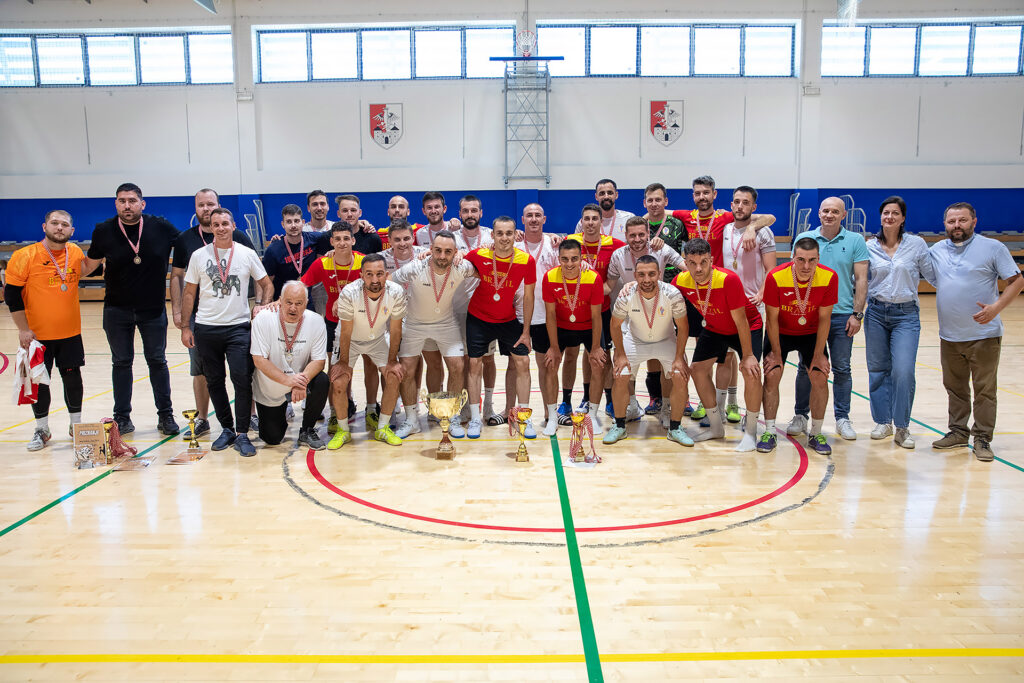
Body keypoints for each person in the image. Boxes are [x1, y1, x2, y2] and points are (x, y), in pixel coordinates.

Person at [927, 202, 1024, 462]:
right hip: (949, 335)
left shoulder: (993, 248)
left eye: (962, 220)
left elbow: (1017, 281)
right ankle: (958, 432)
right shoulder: (936, 250)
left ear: (974, 222)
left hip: (984, 335)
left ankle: (982, 438)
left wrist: (996, 308)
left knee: (984, 391)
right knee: (955, 388)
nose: (956, 225)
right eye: (951, 221)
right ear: (945, 224)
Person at [87, 182, 180, 436]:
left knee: (157, 361)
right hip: (117, 309)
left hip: (153, 309)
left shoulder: (160, 226)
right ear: (116, 203)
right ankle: (122, 417)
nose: (127, 205)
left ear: (142, 203)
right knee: (121, 363)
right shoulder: (103, 230)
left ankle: (165, 415)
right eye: (122, 201)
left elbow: (187, 245)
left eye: (132, 200)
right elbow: (88, 265)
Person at [181, 208, 274, 457]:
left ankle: (242, 433)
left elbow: (267, 284)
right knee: (214, 381)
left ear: (233, 226)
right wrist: (185, 326)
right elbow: (189, 292)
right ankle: (227, 429)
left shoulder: (246, 253)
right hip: (206, 327)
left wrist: (261, 307)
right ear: (210, 228)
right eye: (216, 224)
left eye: (225, 223)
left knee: (241, 379)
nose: (221, 228)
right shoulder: (199, 256)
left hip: (238, 327)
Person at [6, 210, 101, 450]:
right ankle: (42, 429)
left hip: (70, 333)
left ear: (72, 230)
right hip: (36, 336)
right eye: (55, 223)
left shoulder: (75, 252)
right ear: (44, 226)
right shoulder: (24, 256)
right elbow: (12, 296)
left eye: (64, 224)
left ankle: (76, 426)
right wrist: (23, 329)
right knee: (39, 382)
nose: (59, 227)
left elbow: (89, 269)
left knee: (73, 378)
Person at [170, 188, 256, 440]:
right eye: (201, 205)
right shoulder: (185, 239)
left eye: (210, 204)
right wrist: (178, 313)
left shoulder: (238, 236)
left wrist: (258, 305)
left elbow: (256, 271)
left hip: (235, 319)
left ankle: (249, 417)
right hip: (201, 319)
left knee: (242, 372)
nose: (206, 209)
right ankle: (202, 419)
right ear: (195, 208)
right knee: (202, 371)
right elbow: (177, 277)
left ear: (218, 205)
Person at [788, 197, 868, 441]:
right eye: (825, 211)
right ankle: (801, 415)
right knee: (806, 367)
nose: (829, 215)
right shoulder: (806, 238)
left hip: (842, 314)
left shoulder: (855, 240)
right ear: (819, 213)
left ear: (843, 215)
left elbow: (861, 279)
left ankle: (842, 418)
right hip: (811, 314)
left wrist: (857, 314)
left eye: (835, 211)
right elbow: (794, 274)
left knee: (842, 368)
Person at [671, 239, 763, 451]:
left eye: (703, 262)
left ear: (711, 260)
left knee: (750, 371)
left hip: (747, 326)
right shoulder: (681, 281)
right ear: (685, 262)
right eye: (692, 263)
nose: (698, 268)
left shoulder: (728, 279)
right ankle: (715, 427)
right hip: (715, 327)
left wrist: (748, 355)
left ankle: (751, 433)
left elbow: (741, 320)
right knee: (697, 370)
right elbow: (662, 293)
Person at [864, 196, 935, 449]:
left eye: (895, 213)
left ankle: (902, 426)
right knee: (877, 370)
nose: (890, 217)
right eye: (886, 213)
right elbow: (859, 280)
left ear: (903, 218)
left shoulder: (916, 244)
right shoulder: (869, 246)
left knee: (903, 371)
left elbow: (934, 276)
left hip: (906, 314)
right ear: (880, 216)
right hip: (876, 312)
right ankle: (883, 422)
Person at [391, 230, 476, 438]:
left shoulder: (461, 266)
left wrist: (465, 254)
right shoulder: (416, 267)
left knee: (457, 365)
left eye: (448, 252)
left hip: (446, 324)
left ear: (455, 252)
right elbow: (389, 281)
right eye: (437, 250)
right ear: (430, 250)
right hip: (414, 324)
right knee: (407, 370)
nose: (442, 256)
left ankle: (451, 416)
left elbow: (483, 268)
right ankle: (412, 420)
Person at [603, 216, 685, 426]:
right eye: (632, 235)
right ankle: (631, 406)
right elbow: (609, 286)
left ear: (649, 233)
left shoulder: (661, 248)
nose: (637, 239)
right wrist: (582, 289)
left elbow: (686, 267)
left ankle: (666, 408)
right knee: (624, 369)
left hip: (659, 313)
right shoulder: (618, 255)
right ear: (626, 235)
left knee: (669, 368)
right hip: (629, 316)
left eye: (642, 234)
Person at [760, 237, 838, 455]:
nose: (806, 266)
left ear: (818, 258)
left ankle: (816, 433)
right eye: (801, 259)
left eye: (812, 260)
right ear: (792, 257)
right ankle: (769, 432)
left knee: (820, 376)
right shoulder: (776, 276)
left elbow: (825, 319)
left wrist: (819, 354)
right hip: (781, 332)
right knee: (772, 374)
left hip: (811, 333)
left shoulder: (829, 277)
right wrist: (776, 354)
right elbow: (771, 319)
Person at [462, 216, 537, 439]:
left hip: (507, 319)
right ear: (492, 235)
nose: (504, 238)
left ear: (515, 235)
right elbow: (460, 262)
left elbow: (529, 297)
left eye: (509, 233)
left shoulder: (526, 260)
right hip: (478, 318)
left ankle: (523, 416)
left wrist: (526, 332)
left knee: (523, 362)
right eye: (500, 233)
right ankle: (475, 418)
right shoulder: (478, 254)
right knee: (474, 364)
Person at [604, 256, 690, 446]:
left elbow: (683, 327)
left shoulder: (672, 294)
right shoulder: (626, 294)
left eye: (652, 274)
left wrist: (679, 357)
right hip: (635, 341)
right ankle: (619, 426)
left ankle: (675, 428)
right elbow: (615, 325)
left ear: (659, 274)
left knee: (680, 374)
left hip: (666, 340)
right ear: (635, 275)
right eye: (641, 274)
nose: (647, 279)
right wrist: (620, 354)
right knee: (620, 374)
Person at [329, 254, 407, 448]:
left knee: (394, 375)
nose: (374, 279)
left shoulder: (396, 292)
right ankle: (342, 430)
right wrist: (344, 363)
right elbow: (346, 331)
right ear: (361, 275)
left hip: (377, 339)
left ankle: (383, 428)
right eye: (369, 274)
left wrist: (392, 361)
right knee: (339, 381)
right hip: (349, 340)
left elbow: (396, 329)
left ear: (386, 275)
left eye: (379, 274)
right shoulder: (349, 293)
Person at [718, 186, 777, 423]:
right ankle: (723, 408)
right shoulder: (725, 229)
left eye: (745, 202)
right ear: (731, 205)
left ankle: (751, 417)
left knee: (750, 364)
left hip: (752, 306)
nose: (740, 206)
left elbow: (771, 270)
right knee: (724, 359)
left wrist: (762, 293)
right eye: (736, 201)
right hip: (726, 307)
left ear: (754, 207)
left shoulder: (764, 232)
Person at [300, 222, 365, 431]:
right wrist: (283, 301)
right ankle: (336, 412)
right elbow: (302, 284)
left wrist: (344, 299)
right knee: (335, 368)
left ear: (353, 240)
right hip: (333, 323)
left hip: (361, 323)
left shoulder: (363, 261)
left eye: (346, 238)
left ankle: (368, 406)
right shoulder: (322, 263)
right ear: (331, 241)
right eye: (337, 239)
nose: (342, 242)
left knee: (366, 366)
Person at [250, 281, 328, 450]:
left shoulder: (316, 321)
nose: (293, 308)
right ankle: (280, 414)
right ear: (280, 300)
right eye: (289, 302)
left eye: (299, 303)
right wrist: (288, 381)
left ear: (306, 303)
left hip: (300, 380)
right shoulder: (263, 319)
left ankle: (307, 429)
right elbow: (259, 360)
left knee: (322, 381)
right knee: (272, 438)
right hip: (271, 386)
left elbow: (319, 361)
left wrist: (301, 382)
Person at [566, 204, 626, 420]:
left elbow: (636, 248)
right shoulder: (571, 242)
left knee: (604, 356)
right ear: (581, 221)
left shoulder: (614, 244)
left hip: (603, 310)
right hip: (577, 310)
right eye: (587, 219)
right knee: (584, 353)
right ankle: (585, 397)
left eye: (594, 219)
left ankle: (609, 400)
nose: (590, 223)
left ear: (602, 221)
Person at [542, 239, 607, 434]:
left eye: (574, 259)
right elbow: (550, 314)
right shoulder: (550, 277)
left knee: (598, 364)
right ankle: (553, 417)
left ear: (581, 258)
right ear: (558, 258)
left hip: (588, 326)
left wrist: (596, 348)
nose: (569, 263)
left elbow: (596, 316)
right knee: (551, 363)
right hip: (562, 326)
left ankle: (592, 415)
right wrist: (553, 347)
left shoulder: (593, 278)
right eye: (565, 259)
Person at [641, 181, 688, 415]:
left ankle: (684, 398)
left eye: (658, 199)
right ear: (644, 202)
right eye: (650, 200)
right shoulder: (640, 225)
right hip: (646, 294)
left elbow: (686, 255)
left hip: (673, 292)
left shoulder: (677, 225)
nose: (654, 204)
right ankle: (655, 397)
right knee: (652, 344)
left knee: (678, 345)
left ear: (666, 201)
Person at [518, 203, 561, 435]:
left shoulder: (554, 245)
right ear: (522, 219)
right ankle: (512, 411)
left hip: (546, 317)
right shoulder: (514, 245)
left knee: (547, 366)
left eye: (537, 215)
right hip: (519, 315)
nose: (533, 219)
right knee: (517, 367)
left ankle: (549, 412)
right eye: (529, 216)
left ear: (544, 219)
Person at [262, 203, 318, 301]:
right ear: (283, 224)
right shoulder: (273, 249)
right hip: (282, 301)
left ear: (303, 222)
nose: (293, 225)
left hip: (306, 301)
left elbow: (334, 236)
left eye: (296, 221)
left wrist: (333, 250)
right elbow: (267, 281)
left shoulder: (313, 239)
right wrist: (264, 303)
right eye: (288, 222)